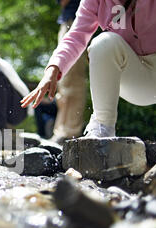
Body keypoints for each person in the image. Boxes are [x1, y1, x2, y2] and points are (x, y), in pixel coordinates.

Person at [21, 0, 156, 138]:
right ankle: (102, 129)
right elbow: (75, 36)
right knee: (103, 42)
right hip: (134, 77)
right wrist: (52, 69)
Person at [50, 0, 87, 144]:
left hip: (77, 20)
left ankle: (71, 130)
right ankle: (62, 129)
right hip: (68, 19)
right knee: (64, 79)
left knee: (72, 77)